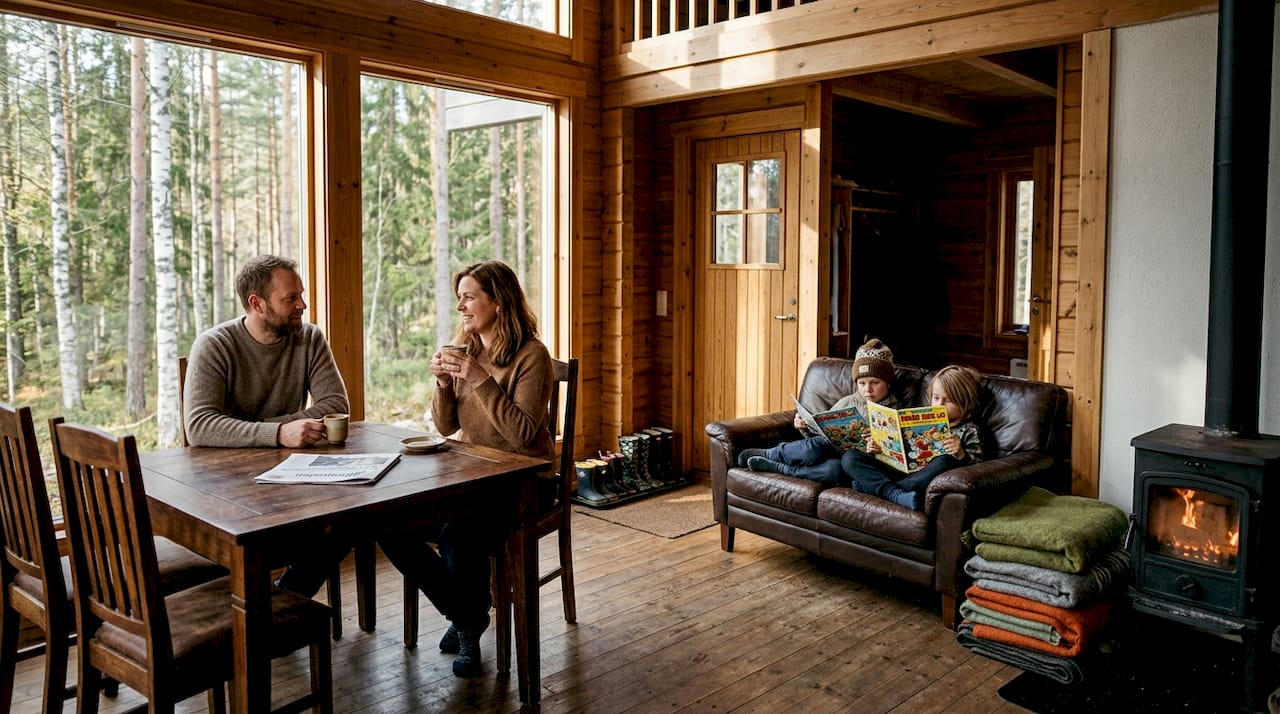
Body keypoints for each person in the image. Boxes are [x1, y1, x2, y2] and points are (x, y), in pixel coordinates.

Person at [379, 259, 555, 679]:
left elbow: (522, 436)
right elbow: (446, 427)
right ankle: (467, 616)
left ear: (498, 301)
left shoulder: (533, 356)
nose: (460, 306)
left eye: (469, 297)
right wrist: (441, 385)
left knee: (457, 532)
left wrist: (481, 380)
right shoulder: (469, 349)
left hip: (526, 481)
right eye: (459, 298)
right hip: (472, 475)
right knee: (389, 525)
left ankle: (467, 633)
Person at [183, 254, 352, 595]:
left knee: (351, 519)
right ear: (257, 303)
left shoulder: (310, 339)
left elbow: (335, 405)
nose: (302, 305)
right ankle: (269, 611)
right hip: (224, 488)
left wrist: (264, 431)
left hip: (287, 481)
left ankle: (284, 599)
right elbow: (200, 425)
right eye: (291, 298)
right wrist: (277, 433)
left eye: (301, 294)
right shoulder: (215, 344)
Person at [737, 339, 899, 486]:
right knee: (816, 446)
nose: (867, 389)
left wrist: (878, 445)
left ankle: (781, 469)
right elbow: (822, 431)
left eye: (875, 383)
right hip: (825, 449)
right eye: (862, 383)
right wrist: (804, 426)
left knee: (834, 472)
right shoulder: (847, 402)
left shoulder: (895, 411)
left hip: (850, 463)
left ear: (888, 383)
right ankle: (772, 454)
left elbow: (895, 456)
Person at [841, 363, 986, 511]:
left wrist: (961, 454)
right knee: (850, 457)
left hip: (922, 477)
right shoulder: (919, 417)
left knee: (945, 461)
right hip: (898, 469)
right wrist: (877, 447)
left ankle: (880, 489)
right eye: (936, 398)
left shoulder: (970, 430)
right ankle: (894, 493)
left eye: (948, 400)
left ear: (965, 403)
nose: (939, 405)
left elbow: (977, 472)